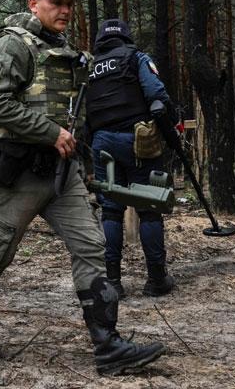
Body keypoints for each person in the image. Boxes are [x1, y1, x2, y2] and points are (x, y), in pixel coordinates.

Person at [0, 0, 165, 376]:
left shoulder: (68, 52)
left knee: (91, 247)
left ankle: (107, 345)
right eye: (57, 2)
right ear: (33, 2)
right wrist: (51, 132)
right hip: (19, 173)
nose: (66, 10)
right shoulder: (13, 45)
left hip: (62, 175)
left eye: (71, 2)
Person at [86, 18, 179, 298]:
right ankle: (156, 278)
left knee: (111, 209)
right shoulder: (136, 58)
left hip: (101, 141)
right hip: (138, 139)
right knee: (150, 206)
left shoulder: (89, 67)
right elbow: (156, 95)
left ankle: (113, 281)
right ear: (126, 37)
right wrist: (171, 127)